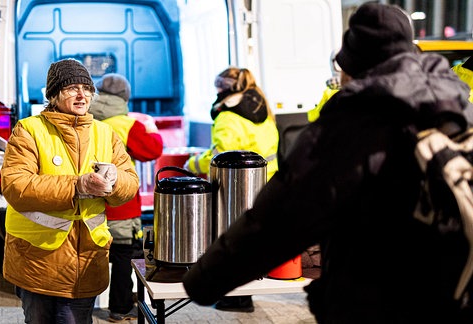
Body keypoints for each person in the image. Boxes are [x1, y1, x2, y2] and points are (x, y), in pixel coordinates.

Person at [182, 3, 473, 323]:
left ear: (351, 66)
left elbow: (277, 221)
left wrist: (203, 281)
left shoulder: (352, 127)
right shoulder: (459, 108)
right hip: (453, 297)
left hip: (379, 305)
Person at [1, 58, 139, 323]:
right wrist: (77, 185)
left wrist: (115, 181)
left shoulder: (105, 133)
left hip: (87, 258)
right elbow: (16, 186)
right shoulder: (29, 130)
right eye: (71, 88)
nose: (81, 95)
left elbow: (130, 183)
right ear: (53, 95)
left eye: (87, 89)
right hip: (37, 259)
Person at [184, 66, 279, 312]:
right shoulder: (263, 109)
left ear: (223, 87)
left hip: (240, 185)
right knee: (250, 242)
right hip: (266, 182)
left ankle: (235, 297)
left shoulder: (228, 115)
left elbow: (220, 156)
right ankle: (244, 295)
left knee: (232, 242)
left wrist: (192, 162)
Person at [91, 73, 163, 322]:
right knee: (124, 255)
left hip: (86, 202)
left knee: (88, 253)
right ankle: (120, 307)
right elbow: (153, 149)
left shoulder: (84, 118)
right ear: (125, 98)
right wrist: (150, 127)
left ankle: (81, 304)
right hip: (119, 203)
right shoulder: (127, 124)